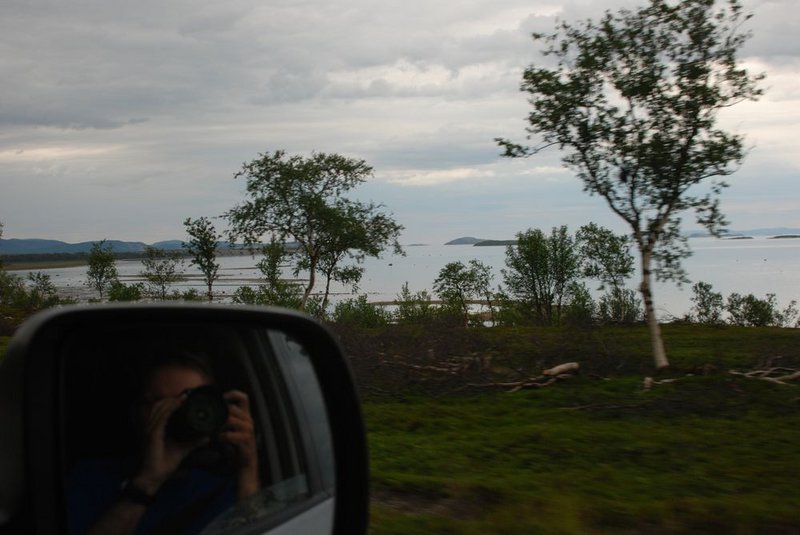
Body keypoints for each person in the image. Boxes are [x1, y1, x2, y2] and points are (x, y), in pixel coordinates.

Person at [68, 353, 261, 535]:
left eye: (190, 401)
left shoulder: (226, 488)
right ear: (135, 413)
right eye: (159, 402)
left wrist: (247, 467)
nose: (176, 413)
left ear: (216, 411)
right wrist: (148, 481)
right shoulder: (91, 478)